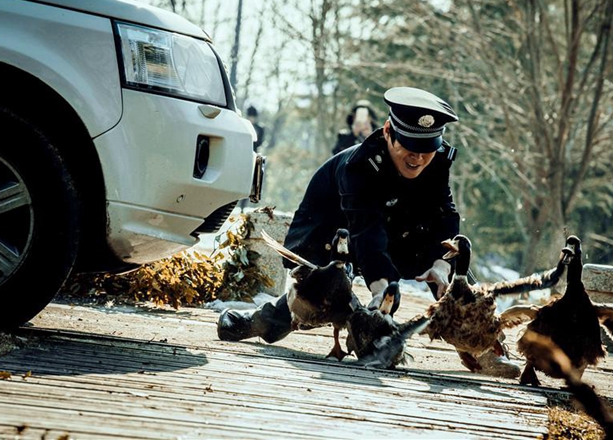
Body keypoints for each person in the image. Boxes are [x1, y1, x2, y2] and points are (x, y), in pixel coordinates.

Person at [218, 87, 518, 377]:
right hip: (326, 240)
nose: (417, 158)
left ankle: (480, 345)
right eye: (409, 147)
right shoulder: (358, 166)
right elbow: (366, 231)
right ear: (388, 131)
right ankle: (265, 320)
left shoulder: (436, 159)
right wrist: (381, 289)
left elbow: (445, 214)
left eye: (426, 150)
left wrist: (441, 265)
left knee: (452, 260)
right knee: (321, 298)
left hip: (389, 235)